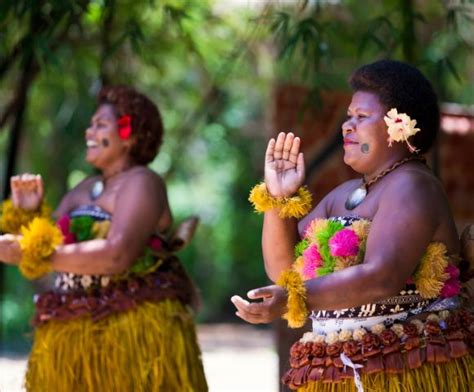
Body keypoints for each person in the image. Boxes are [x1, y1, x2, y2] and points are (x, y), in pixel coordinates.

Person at [231, 60, 473, 391]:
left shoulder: (412, 186)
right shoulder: (343, 195)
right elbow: (285, 269)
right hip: (347, 370)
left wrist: (292, 298)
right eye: (348, 116)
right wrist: (278, 200)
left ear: (399, 126)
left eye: (361, 117)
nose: (347, 126)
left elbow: (382, 276)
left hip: (404, 371)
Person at [0, 86, 208, 391]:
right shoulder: (85, 188)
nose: (89, 131)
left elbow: (117, 255)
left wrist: (33, 251)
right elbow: (51, 247)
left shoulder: (142, 183)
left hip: (132, 332)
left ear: (130, 135)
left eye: (100, 125)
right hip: (70, 331)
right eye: (91, 124)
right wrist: (30, 218)